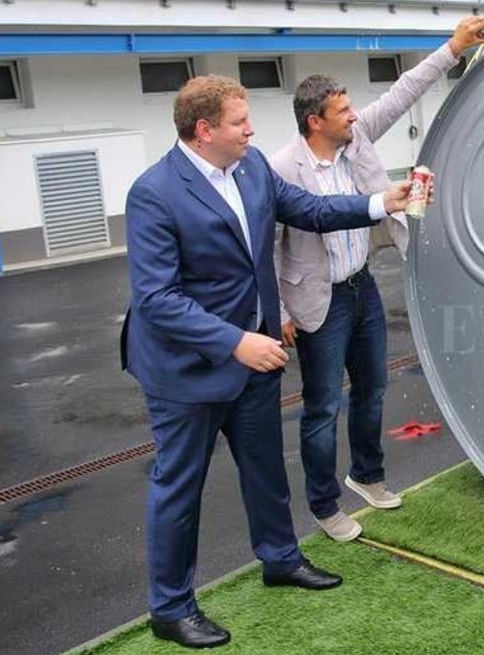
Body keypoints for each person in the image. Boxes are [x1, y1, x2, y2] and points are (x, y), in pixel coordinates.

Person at [121, 74, 413, 649]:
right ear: (204, 131)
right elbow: (156, 299)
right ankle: (171, 607)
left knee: (264, 469)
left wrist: (381, 202)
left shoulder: (253, 166)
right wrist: (235, 341)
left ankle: (280, 558)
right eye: (238, 121)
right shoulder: (153, 192)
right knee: (179, 487)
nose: (251, 129)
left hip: (254, 356)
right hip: (189, 370)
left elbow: (309, 209)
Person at [271, 16, 484, 542]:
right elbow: (265, 247)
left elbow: (403, 91)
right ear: (314, 122)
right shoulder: (281, 169)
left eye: (352, 108)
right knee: (323, 406)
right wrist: (278, 312)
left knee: (372, 388)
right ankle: (325, 506)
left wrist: (453, 49)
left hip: (360, 285)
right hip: (317, 302)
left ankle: (366, 475)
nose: (354, 116)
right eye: (343, 111)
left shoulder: (358, 139)